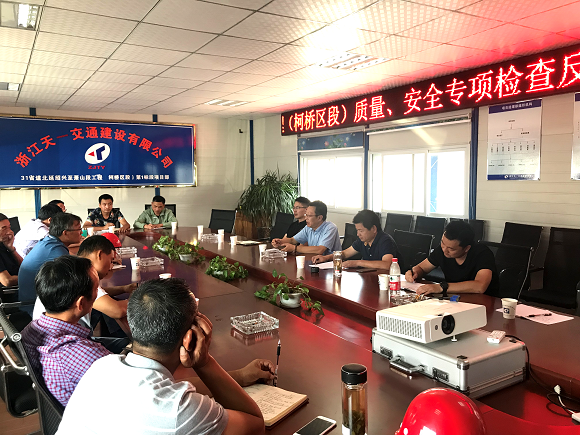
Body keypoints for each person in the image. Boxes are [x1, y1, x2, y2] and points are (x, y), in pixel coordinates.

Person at [58, 278, 274, 435]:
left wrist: (241, 376)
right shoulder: (178, 411)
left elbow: (174, 389)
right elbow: (255, 425)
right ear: (190, 338)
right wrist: (205, 362)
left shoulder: (102, 366)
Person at [21, 255, 111, 407]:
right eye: (96, 289)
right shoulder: (83, 354)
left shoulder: (32, 329)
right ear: (80, 303)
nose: (97, 293)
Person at [32, 236, 136, 335]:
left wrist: (124, 289)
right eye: (111, 260)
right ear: (99, 254)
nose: (111, 266)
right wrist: (139, 298)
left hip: (46, 332)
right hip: (69, 340)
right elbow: (118, 311)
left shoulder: (72, 269)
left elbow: (98, 292)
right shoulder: (84, 276)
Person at [405, 220, 499, 297]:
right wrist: (414, 272)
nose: (445, 250)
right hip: (454, 298)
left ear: (466, 248)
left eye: (451, 249)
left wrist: (441, 287)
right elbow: (421, 268)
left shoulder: (482, 254)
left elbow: (480, 286)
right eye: (442, 243)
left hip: (483, 301)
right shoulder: (442, 249)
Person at [18, 213, 83, 315]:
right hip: (36, 307)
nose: (81, 232)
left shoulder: (49, 242)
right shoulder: (56, 251)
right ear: (65, 233)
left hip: (35, 300)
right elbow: (77, 277)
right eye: (79, 229)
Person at [312, 209, 399, 270]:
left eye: (361, 231)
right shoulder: (363, 241)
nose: (358, 234)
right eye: (357, 230)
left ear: (374, 229)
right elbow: (345, 254)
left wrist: (357, 263)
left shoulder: (385, 241)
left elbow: (388, 264)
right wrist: (325, 258)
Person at [272, 200, 341, 255]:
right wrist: (280, 241)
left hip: (330, 264)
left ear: (319, 218)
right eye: (306, 215)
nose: (306, 218)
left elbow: (320, 250)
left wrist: (294, 248)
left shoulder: (330, 228)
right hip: (313, 260)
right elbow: (293, 240)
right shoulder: (308, 228)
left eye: (309, 216)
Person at [0, 213, 23, 288]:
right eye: (4, 228)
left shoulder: (3, 245)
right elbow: (7, 281)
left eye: (9, 227)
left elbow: (24, 266)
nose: (9, 232)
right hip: (10, 291)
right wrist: (30, 277)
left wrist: (11, 248)